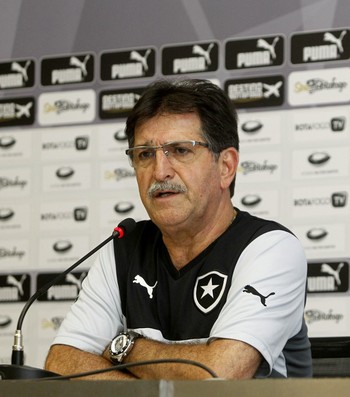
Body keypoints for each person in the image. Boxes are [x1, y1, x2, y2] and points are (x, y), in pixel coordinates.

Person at [45, 78, 312, 379]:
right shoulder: (123, 250)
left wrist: (126, 347)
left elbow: (219, 375)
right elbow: (62, 363)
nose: (160, 171)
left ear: (226, 166)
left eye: (181, 150)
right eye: (145, 154)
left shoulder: (269, 248)